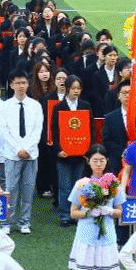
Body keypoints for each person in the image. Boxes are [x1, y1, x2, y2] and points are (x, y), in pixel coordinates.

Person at [68, 143, 124, 270]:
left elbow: (120, 211)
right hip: (86, 236)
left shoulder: (113, 183)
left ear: (107, 161)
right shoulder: (82, 184)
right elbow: (73, 212)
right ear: (88, 161)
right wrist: (88, 212)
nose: (98, 164)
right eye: (95, 160)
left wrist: (109, 211)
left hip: (106, 236)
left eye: (101, 160)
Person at [0, 69, 42, 235]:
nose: (21, 86)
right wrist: (18, 149)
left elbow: (37, 130)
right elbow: (4, 131)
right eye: (18, 83)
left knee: (28, 189)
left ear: (28, 84)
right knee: (11, 189)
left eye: (24, 82)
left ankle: (24, 222)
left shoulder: (35, 106)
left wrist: (28, 148)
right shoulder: (5, 106)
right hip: (12, 155)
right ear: (11, 85)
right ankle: (7, 222)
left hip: (31, 155)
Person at [50, 74, 91, 226]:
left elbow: (90, 129)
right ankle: (64, 215)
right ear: (67, 89)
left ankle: (76, 214)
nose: (76, 91)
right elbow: (54, 131)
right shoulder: (59, 107)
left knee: (78, 186)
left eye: (78, 88)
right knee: (64, 186)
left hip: (81, 154)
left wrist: (88, 151)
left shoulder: (85, 105)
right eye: (73, 88)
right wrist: (58, 150)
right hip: (64, 154)